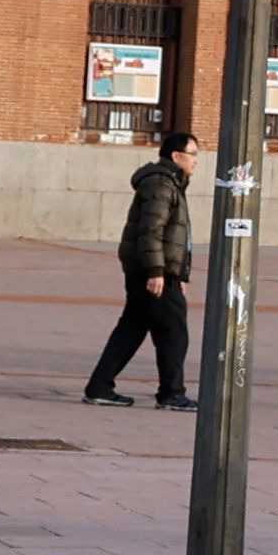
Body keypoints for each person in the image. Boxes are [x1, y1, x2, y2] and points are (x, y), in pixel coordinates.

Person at [83, 126, 197, 407]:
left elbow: (172, 235)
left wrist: (178, 272)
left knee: (132, 328)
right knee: (173, 332)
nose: (196, 161)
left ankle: (99, 387)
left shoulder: (169, 182)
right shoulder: (161, 184)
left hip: (150, 269)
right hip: (152, 272)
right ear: (176, 155)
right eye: (192, 154)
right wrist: (157, 272)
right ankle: (172, 393)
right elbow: (151, 231)